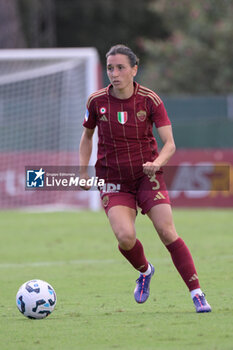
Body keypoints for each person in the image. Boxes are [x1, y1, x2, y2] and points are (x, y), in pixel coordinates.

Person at [79, 44, 211, 313]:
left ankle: (197, 293)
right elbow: (87, 136)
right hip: (113, 180)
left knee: (166, 231)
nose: (114, 74)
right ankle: (146, 270)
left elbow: (170, 144)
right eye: (109, 68)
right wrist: (82, 171)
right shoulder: (96, 101)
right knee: (125, 237)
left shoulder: (150, 99)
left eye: (120, 68)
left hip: (146, 176)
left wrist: (157, 163)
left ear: (134, 69)